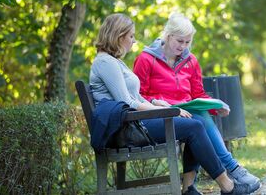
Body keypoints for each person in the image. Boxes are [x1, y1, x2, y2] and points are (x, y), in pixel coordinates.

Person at [89, 13, 256, 195]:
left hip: (134, 123)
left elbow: (134, 97)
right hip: (129, 129)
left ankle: (194, 188)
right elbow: (128, 103)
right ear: (119, 36)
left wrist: (156, 103)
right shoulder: (106, 63)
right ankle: (228, 186)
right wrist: (170, 111)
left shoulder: (113, 62)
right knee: (194, 127)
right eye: (131, 36)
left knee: (196, 123)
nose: (134, 41)